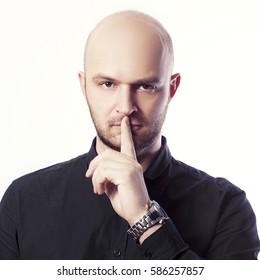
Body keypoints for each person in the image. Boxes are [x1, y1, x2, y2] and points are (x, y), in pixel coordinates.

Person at [0, 10, 259, 260]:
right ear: (84, 86)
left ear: (171, 88)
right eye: (107, 84)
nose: (125, 106)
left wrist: (144, 219)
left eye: (146, 86)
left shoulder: (225, 207)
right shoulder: (24, 201)